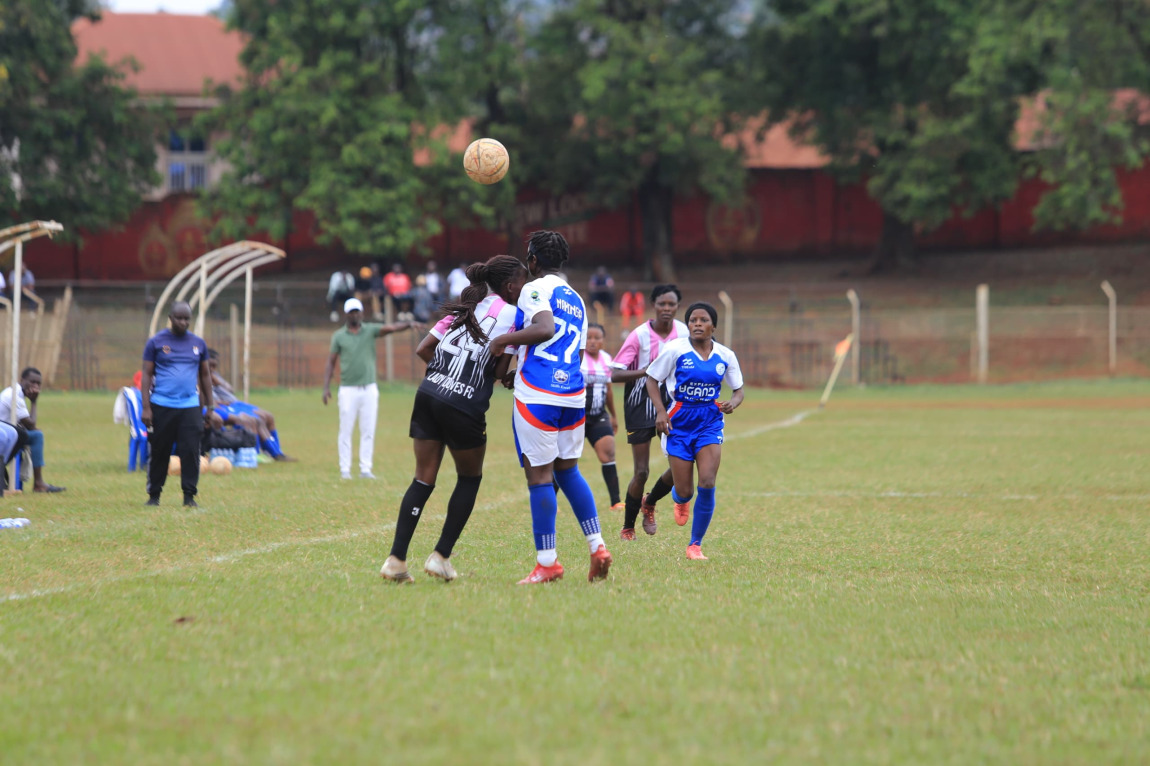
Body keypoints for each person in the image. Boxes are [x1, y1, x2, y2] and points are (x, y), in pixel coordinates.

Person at [380, 255, 528, 583]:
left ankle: (396, 560)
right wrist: (497, 376)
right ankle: (440, 557)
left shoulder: (465, 306)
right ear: (509, 286)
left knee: (422, 479)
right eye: (522, 282)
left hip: (428, 394)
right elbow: (499, 371)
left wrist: (445, 376)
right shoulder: (516, 316)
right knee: (469, 478)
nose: (525, 288)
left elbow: (423, 349)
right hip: (464, 404)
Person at [488, 230, 613, 585]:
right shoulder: (577, 298)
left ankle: (548, 563)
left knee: (540, 477)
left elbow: (545, 329)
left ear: (532, 260)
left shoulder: (534, 288)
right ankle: (597, 546)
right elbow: (571, 349)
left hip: (538, 393)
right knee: (568, 471)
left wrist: (503, 341)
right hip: (572, 393)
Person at [644, 302, 744, 560]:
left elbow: (738, 390)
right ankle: (678, 498)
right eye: (692, 320)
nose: (697, 324)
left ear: (714, 326)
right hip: (678, 422)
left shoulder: (725, 355)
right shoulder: (675, 350)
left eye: (703, 320)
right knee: (685, 490)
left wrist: (733, 403)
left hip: (709, 421)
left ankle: (695, 545)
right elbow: (652, 380)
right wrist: (660, 412)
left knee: (708, 481)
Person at [610, 284, 687, 540]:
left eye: (671, 304)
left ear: (677, 306)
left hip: (673, 405)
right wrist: (649, 370)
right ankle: (628, 527)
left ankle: (650, 502)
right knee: (641, 471)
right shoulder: (639, 335)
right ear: (653, 305)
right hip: (639, 404)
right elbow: (615, 373)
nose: (667, 308)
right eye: (662, 304)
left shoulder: (684, 333)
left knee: (681, 466)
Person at [323, 297, 419, 479]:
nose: (355, 315)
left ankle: (365, 468)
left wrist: (408, 324)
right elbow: (331, 362)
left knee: (368, 430)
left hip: (369, 388)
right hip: (348, 389)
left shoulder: (369, 330)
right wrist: (326, 387)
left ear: (361, 313)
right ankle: (345, 469)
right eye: (351, 312)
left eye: (357, 311)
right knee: (346, 430)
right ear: (346, 314)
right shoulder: (339, 336)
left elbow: (390, 328)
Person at [141, 301, 212, 507]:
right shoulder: (156, 342)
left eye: (187, 319)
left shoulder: (198, 344)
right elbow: (146, 375)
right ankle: (154, 495)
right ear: (170, 318)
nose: (183, 322)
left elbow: (205, 375)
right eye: (179, 318)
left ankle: (189, 496)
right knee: (159, 451)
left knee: (190, 452)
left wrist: (210, 406)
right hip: (162, 404)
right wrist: (146, 407)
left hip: (189, 406)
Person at [207, 351, 295, 461]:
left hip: (234, 403)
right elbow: (205, 396)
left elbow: (230, 390)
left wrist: (217, 381)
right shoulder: (200, 376)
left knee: (267, 416)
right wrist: (216, 402)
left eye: (215, 366)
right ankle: (255, 454)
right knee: (251, 420)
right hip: (222, 406)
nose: (212, 369)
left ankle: (277, 452)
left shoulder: (214, 375)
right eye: (210, 365)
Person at [0, 367, 65, 492]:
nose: (35, 386)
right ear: (22, 380)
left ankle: (37, 483)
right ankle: (39, 484)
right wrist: (34, 402)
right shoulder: (14, 396)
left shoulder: (16, 393)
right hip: (4, 437)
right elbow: (31, 424)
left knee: (34, 434)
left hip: (9, 433)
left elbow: (25, 424)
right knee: (37, 436)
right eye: (32, 382)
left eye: (38, 383)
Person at [580, 323, 623, 510]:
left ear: (603, 341)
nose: (592, 341)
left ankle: (616, 501)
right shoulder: (577, 358)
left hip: (599, 415)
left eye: (596, 338)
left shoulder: (606, 359)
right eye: (588, 337)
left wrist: (613, 415)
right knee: (564, 458)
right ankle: (553, 501)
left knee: (608, 453)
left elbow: (609, 389)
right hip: (577, 416)